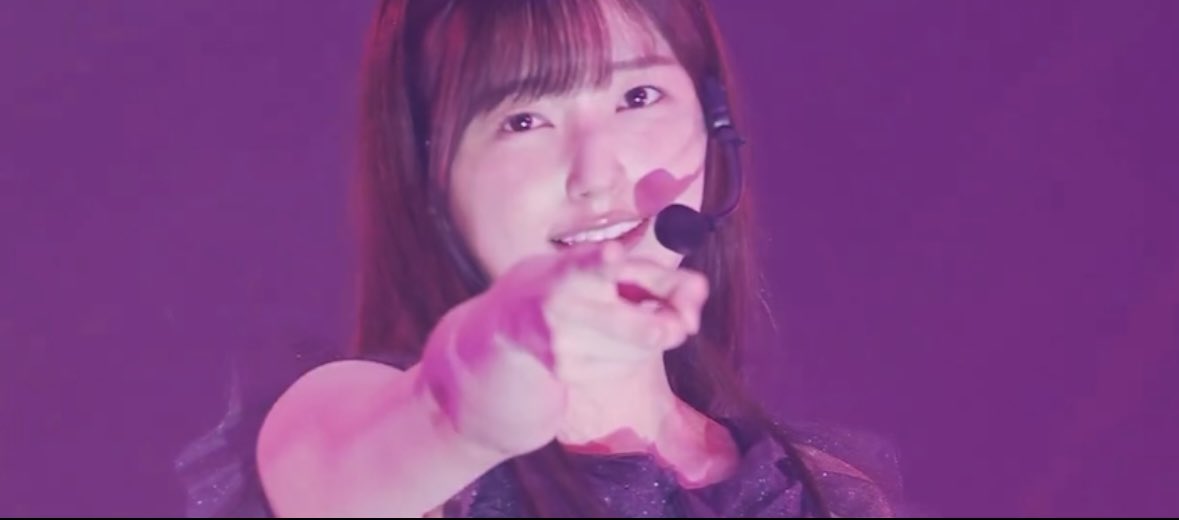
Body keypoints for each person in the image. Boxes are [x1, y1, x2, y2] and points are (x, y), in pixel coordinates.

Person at [174, 0, 906, 517]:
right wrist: (485, 386)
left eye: (639, 96)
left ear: (714, 123)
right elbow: (352, 470)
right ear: (430, 174)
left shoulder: (816, 493)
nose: (596, 173)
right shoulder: (351, 418)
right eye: (524, 119)